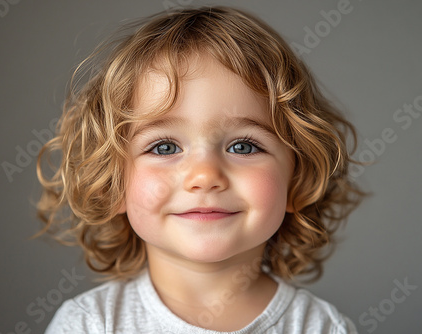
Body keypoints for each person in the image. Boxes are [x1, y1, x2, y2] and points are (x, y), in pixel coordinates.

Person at [37, 5, 364, 333]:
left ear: (298, 181)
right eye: (164, 147)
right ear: (113, 183)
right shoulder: (89, 324)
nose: (205, 176)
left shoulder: (323, 327)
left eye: (243, 146)